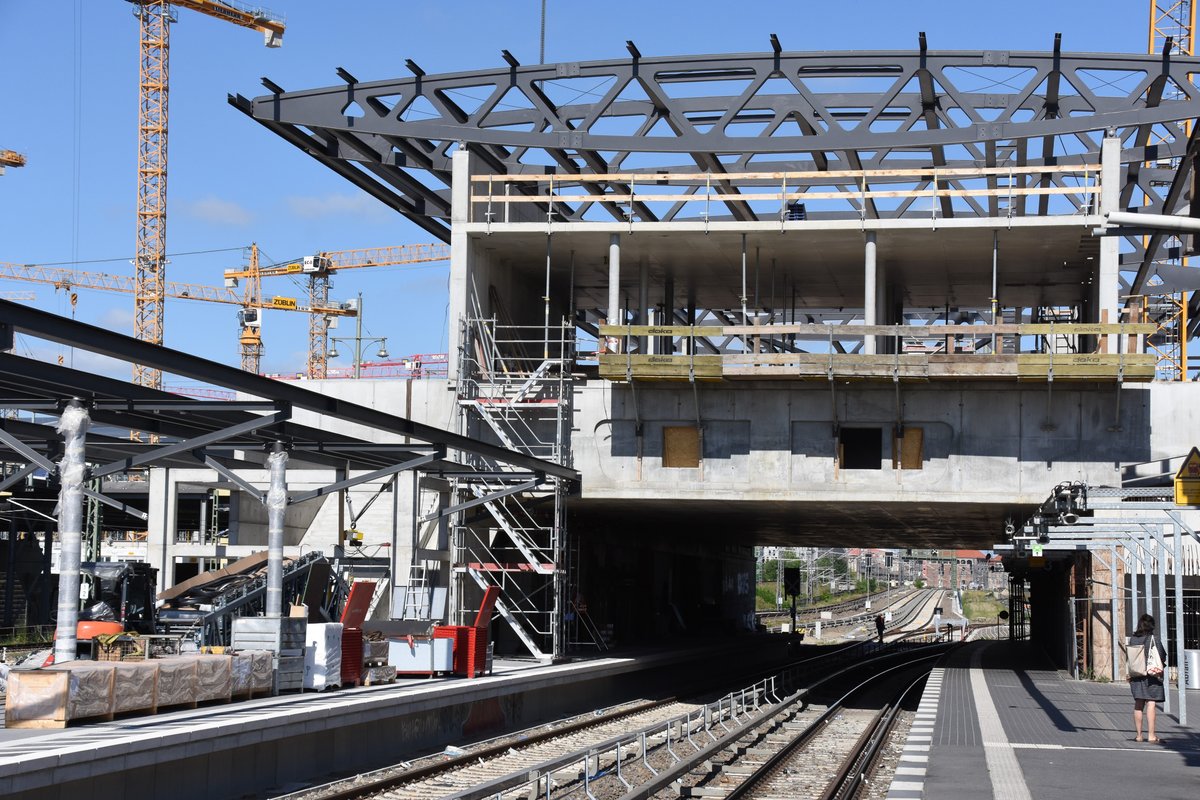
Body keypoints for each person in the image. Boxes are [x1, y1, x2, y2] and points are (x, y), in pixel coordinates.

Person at [1128, 613, 1167, 743]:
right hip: (1152, 676)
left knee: (1138, 703)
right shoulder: (1153, 639)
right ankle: (1151, 735)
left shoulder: (1133, 640)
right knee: (1151, 703)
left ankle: (1139, 735)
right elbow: (1162, 655)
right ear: (1151, 626)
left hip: (1136, 675)